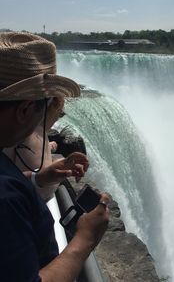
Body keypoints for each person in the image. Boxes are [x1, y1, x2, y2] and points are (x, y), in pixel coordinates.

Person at [0, 32, 111, 282]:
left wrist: (37, 179)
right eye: (46, 105)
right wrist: (85, 240)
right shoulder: (5, 199)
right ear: (26, 108)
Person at [3, 96, 91, 201]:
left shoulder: (21, 135)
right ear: (26, 108)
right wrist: (54, 167)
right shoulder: (35, 133)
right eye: (58, 115)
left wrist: (49, 149)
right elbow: (43, 192)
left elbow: (10, 177)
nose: (56, 120)